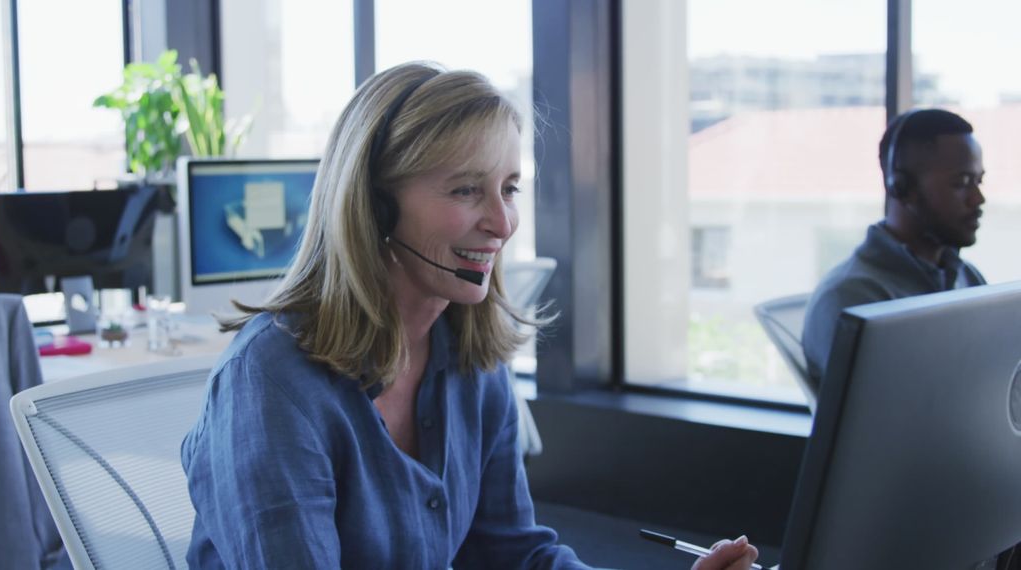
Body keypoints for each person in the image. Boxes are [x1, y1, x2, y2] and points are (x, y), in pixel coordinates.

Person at [180, 62, 759, 569]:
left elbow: (513, 555)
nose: (503, 224)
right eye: (465, 191)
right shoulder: (272, 381)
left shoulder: (469, 356)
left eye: (508, 188)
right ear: (375, 206)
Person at [802, 108, 987, 392]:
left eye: (978, 181)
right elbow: (886, 425)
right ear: (903, 188)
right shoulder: (852, 299)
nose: (978, 198)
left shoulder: (966, 278)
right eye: (961, 182)